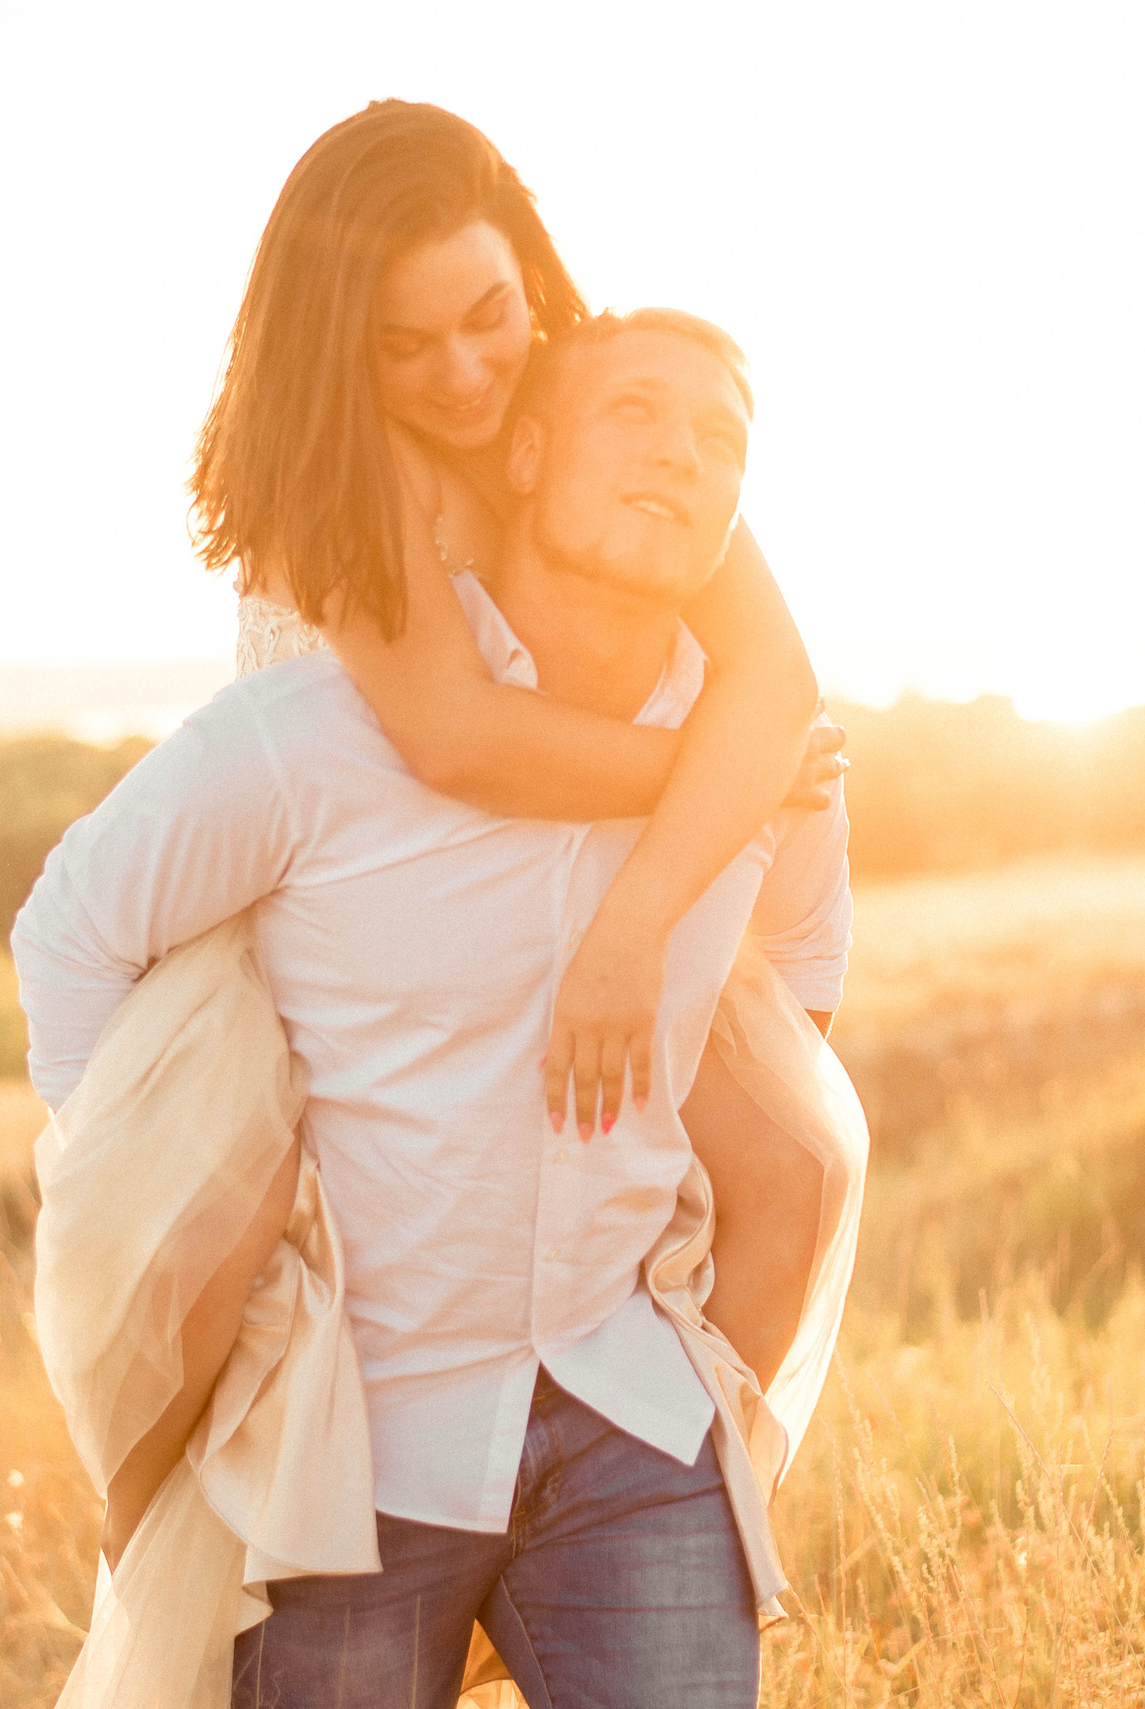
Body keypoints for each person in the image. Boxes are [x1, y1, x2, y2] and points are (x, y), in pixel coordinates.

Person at [17, 306, 847, 1705]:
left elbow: (804, 976)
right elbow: (72, 930)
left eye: (720, 438)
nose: (680, 454)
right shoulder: (317, 741)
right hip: (353, 1457)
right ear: (520, 455)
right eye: (634, 413)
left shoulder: (760, 768)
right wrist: (189, 1201)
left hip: (628, 1418)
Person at [185, 95, 848, 1508]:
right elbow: (457, 738)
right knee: (322, 1308)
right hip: (375, 901)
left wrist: (654, 897)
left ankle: (648, 1504)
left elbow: (775, 679)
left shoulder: (615, 418)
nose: (468, 370)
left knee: (790, 1169)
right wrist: (732, 782)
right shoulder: (344, 474)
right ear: (338, 348)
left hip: (593, 867)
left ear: (530, 277)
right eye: (406, 344)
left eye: (491, 315)